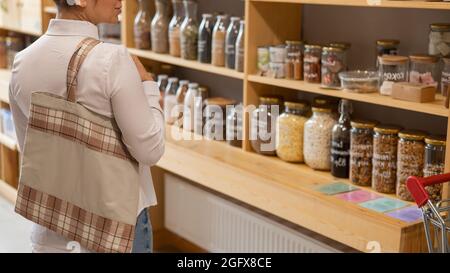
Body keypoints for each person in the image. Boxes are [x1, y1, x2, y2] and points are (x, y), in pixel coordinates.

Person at [9, 0, 164, 253]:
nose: (120, 1)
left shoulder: (22, 61)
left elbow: (29, 147)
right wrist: (148, 87)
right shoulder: (113, 60)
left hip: (50, 226)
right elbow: (151, 150)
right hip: (114, 229)